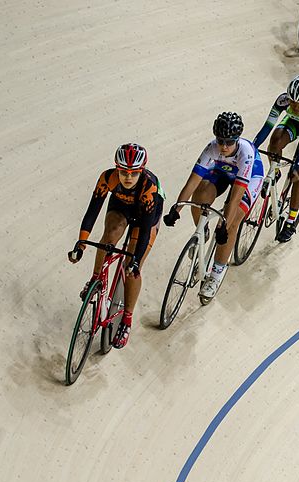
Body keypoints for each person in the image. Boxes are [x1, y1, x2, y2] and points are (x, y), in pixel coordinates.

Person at [163, 113, 264, 303]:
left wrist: (224, 224)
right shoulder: (211, 148)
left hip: (248, 178)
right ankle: (202, 232)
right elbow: (192, 183)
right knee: (200, 195)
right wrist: (176, 209)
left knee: (232, 222)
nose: (224, 146)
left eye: (229, 142)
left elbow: (234, 200)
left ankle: (216, 275)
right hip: (222, 172)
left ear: (237, 139)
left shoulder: (246, 154)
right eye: (221, 141)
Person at [70, 143, 164, 348]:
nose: (128, 177)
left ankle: (127, 320)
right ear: (116, 168)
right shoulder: (107, 177)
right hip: (121, 206)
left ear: (142, 171)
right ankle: (96, 279)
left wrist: (136, 262)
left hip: (147, 215)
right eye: (123, 172)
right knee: (110, 236)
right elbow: (92, 211)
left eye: (133, 173)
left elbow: (146, 230)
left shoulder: (149, 187)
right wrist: (81, 244)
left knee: (131, 267)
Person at [253, 74, 299, 242]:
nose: (294, 105)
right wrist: (252, 148)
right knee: (275, 141)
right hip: (294, 122)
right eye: (292, 101)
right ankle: (277, 171)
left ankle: (291, 220)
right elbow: (267, 127)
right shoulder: (283, 100)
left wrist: (297, 166)